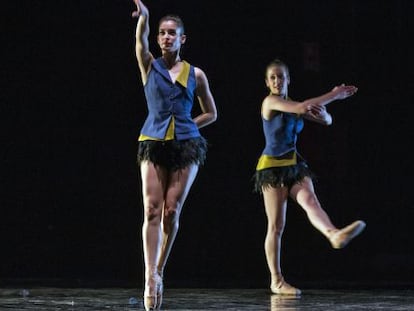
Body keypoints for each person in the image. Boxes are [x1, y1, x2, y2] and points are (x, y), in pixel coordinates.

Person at [253, 59, 366, 296]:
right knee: (276, 226)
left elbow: (324, 119)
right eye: (272, 77)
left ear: (288, 80)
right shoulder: (270, 102)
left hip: (294, 165)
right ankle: (276, 280)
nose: (277, 81)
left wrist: (326, 117)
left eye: (281, 77)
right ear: (267, 82)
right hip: (271, 168)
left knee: (311, 202)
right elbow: (303, 108)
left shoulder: (296, 103)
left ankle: (333, 234)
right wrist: (334, 94)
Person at [131, 1, 218, 310]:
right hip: (153, 141)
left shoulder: (197, 75)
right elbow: (140, 42)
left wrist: (188, 126)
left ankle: (160, 268)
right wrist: (144, 18)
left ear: (183, 39)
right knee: (152, 210)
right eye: (162, 33)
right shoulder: (149, 65)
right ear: (158, 38)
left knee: (171, 212)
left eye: (173, 33)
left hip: (186, 147)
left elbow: (211, 113)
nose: (167, 37)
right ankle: (149, 276)